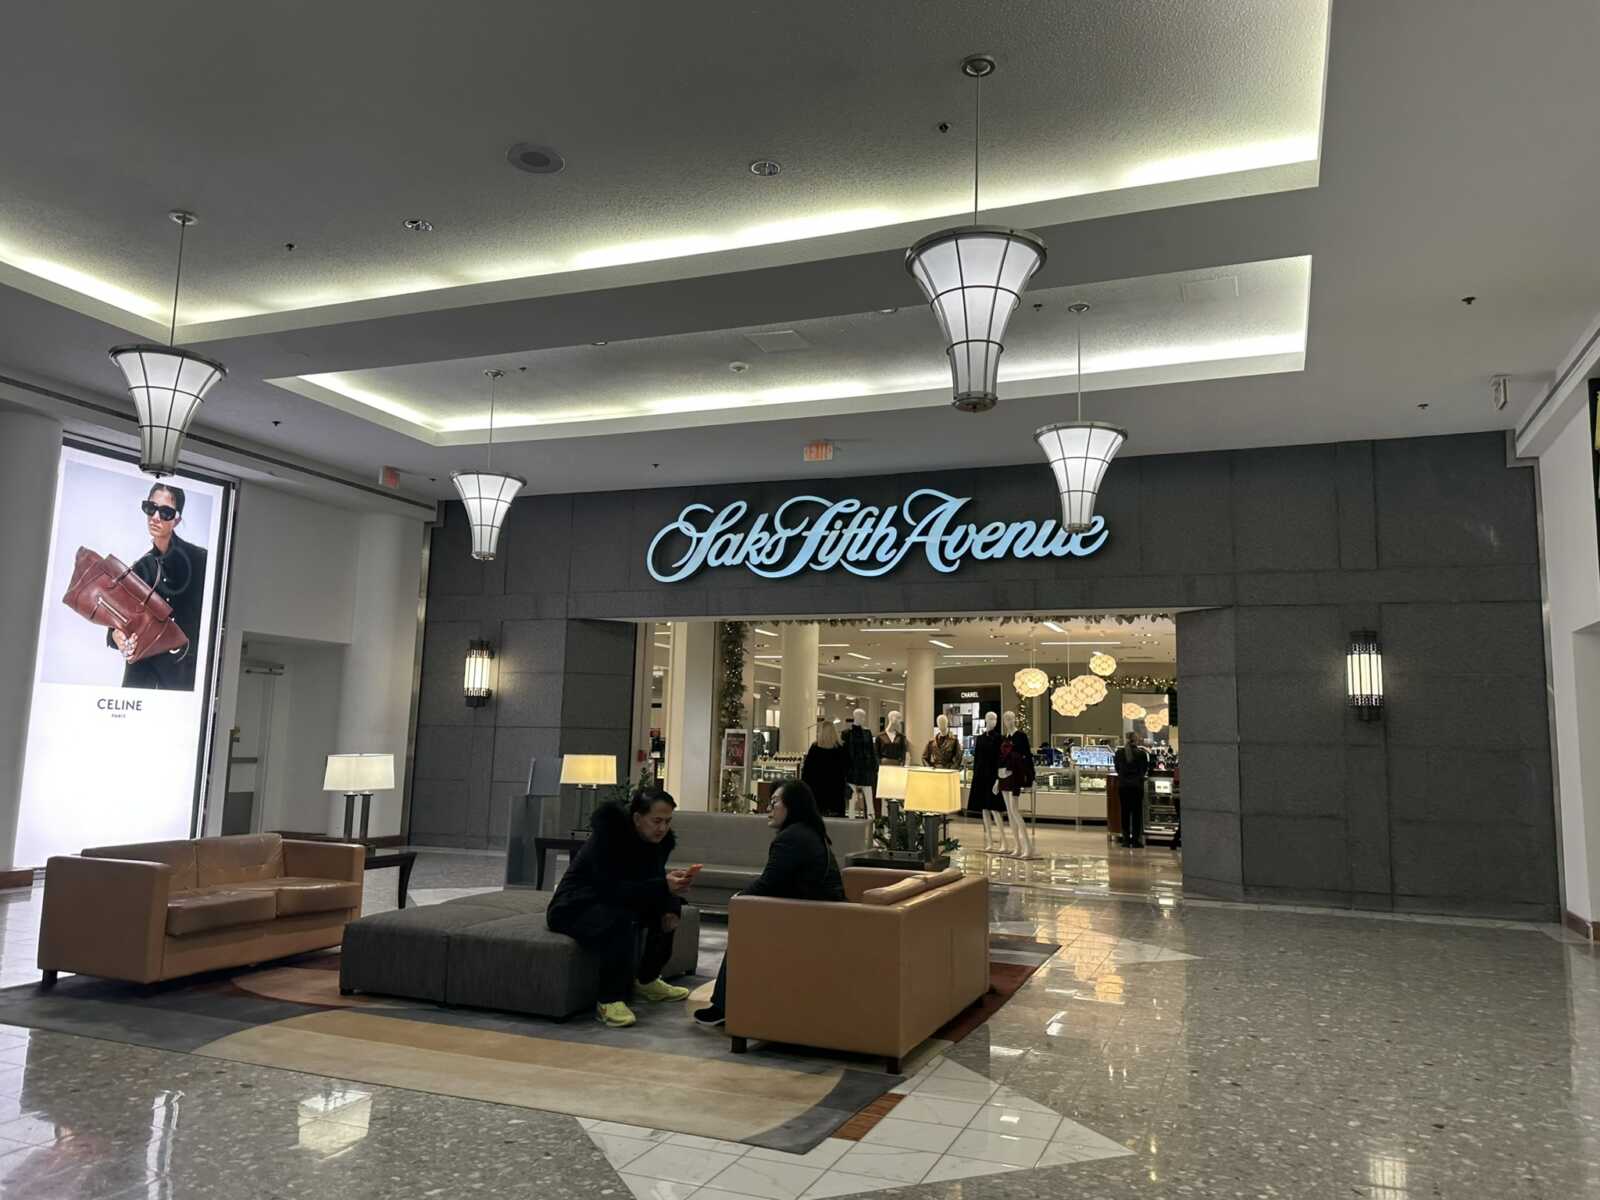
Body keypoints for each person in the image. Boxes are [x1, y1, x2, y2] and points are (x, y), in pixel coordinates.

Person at [692, 779, 845, 1027]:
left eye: (774, 803)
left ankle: (723, 1005)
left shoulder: (791, 838)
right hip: (823, 915)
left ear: (792, 806)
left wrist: (738, 899)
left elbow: (768, 883)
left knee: (745, 927)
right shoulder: (809, 832)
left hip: (811, 919)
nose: (768, 809)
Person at [546, 786, 694, 1028]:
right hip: (575, 905)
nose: (662, 828)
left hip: (614, 899)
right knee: (620, 918)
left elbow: (649, 883)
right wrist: (662, 886)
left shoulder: (660, 843)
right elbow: (609, 888)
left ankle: (647, 980)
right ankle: (609, 1000)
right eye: (656, 821)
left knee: (670, 908)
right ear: (637, 818)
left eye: (667, 821)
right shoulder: (609, 838)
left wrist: (670, 896)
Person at [111, 483, 208, 691]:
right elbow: (118, 619)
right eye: (150, 508)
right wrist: (117, 635)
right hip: (140, 678)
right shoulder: (140, 567)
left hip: (181, 680)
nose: (155, 517)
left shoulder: (201, 560)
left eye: (165, 512)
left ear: (177, 519)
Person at [801, 719, 851, 817]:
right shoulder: (841, 748)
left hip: (817, 790)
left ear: (821, 732)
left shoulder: (815, 748)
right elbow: (847, 767)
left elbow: (807, 771)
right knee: (836, 820)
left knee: (817, 818)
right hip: (836, 790)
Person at [1114, 731, 1152, 848]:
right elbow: (1144, 770)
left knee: (1124, 813)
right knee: (1136, 814)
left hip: (1123, 786)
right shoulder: (1141, 754)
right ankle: (1135, 840)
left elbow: (1117, 769)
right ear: (1136, 740)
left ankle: (1125, 839)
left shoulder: (1119, 753)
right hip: (1136, 787)